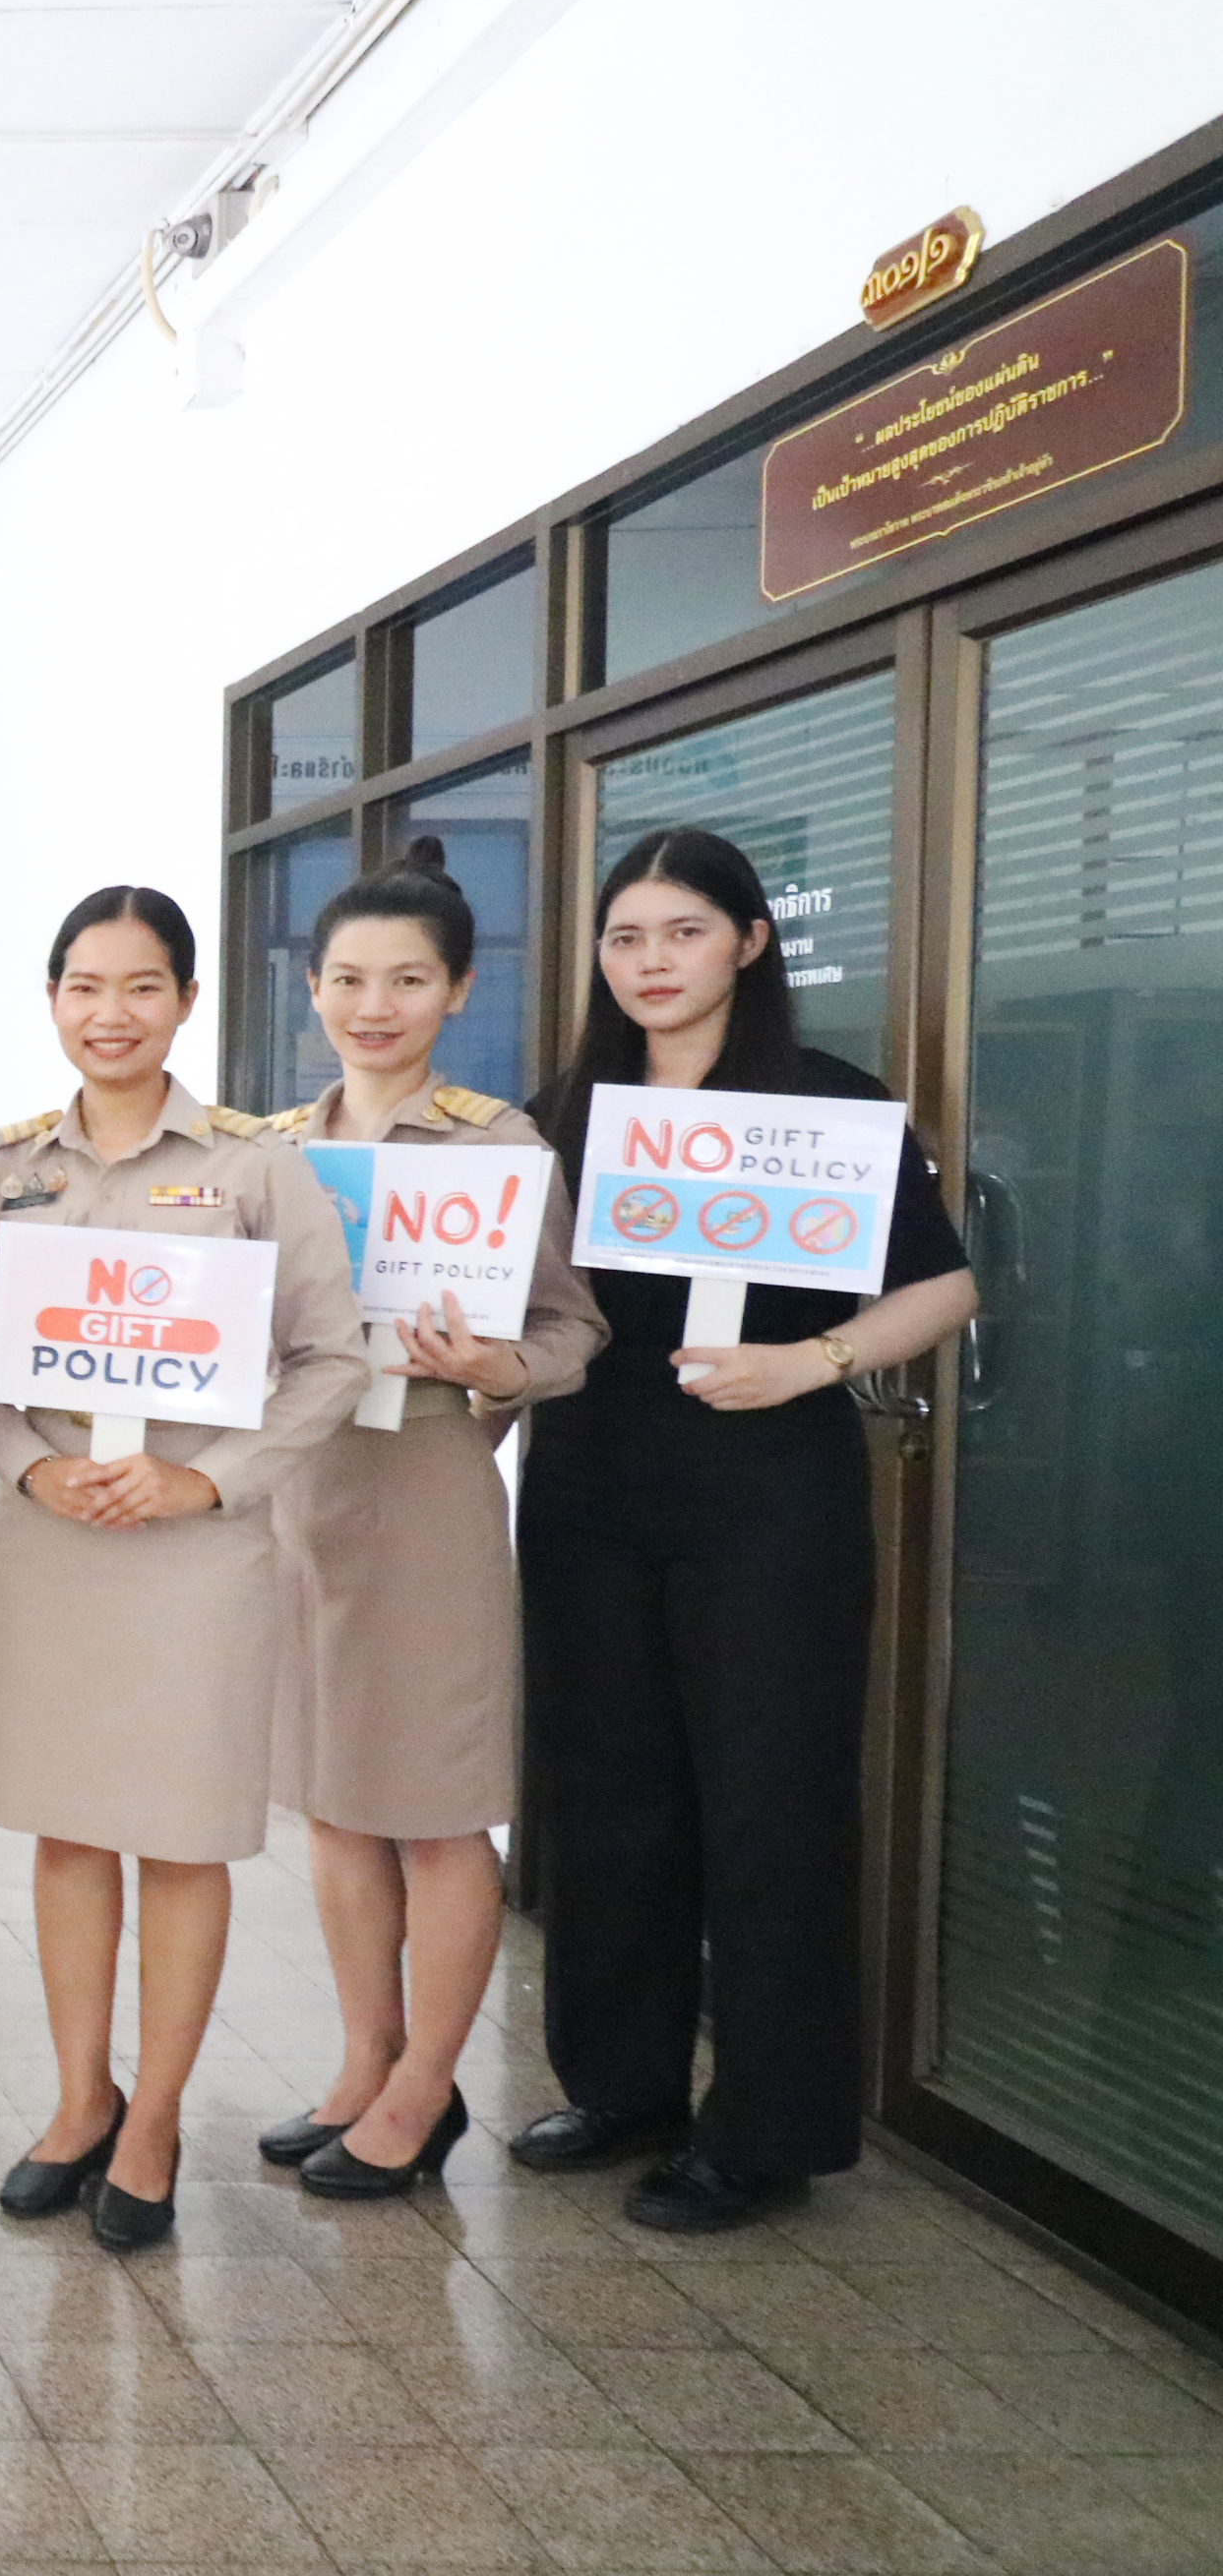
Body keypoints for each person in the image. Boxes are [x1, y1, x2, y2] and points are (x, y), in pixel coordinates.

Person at [509, 827, 973, 2231]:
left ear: (750, 944)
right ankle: (624, 2086)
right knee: (607, 1795)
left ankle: (766, 2130)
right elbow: (520, 1304)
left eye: (684, 933)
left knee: (769, 1807)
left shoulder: (826, 1107)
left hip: (773, 1492)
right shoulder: (566, 1111)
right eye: (626, 939)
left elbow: (944, 1290)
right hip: (592, 1485)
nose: (652, 963)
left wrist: (812, 1361)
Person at [0, 886, 364, 2250]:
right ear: (54, 999)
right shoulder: (7, 1170)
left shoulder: (258, 1167)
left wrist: (209, 1479)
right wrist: (28, 1465)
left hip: (196, 1554)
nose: (109, 1014)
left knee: (183, 1835)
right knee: (71, 1827)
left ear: (187, 1001)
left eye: (140, 987)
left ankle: (154, 2122)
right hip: (57, 1544)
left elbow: (332, 1361)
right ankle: (81, 2100)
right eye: (83, 986)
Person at [261, 838, 604, 2198]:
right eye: (347, 977)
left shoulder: (497, 1146)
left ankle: (424, 2091)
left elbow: (574, 1326)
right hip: (299, 1497)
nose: (374, 1005)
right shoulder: (274, 1153)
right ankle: (363, 2057)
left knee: (437, 1812)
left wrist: (496, 1370)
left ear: (458, 989)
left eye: (407, 978)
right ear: (311, 987)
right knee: (337, 1803)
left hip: (426, 1487)